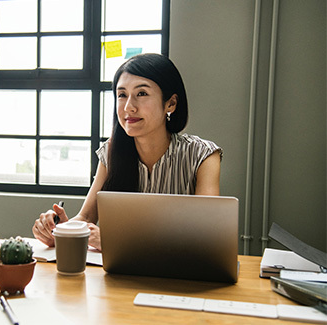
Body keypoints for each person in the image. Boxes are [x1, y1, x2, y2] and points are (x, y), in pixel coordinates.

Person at [32, 53, 222, 251]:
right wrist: (61, 230)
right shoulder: (111, 152)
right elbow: (86, 218)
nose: (128, 107)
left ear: (171, 103)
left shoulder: (203, 155)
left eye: (141, 94)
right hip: (117, 277)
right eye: (122, 95)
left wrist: (115, 241)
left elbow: (205, 236)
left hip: (179, 279)